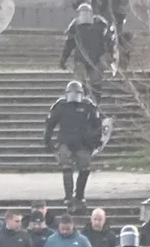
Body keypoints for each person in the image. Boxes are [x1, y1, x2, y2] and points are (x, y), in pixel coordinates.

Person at [44, 81, 105, 209]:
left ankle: (79, 195)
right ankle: (68, 196)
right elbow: (50, 124)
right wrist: (48, 142)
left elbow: (98, 125)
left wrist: (96, 141)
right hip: (66, 141)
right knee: (67, 168)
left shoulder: (88, 106)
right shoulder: (60, 106)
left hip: (83, 143)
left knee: (84, 169)